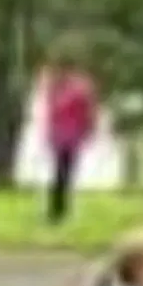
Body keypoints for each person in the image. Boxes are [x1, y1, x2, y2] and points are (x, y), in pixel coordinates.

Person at [38, 61, 101, 225]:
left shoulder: (78, 88)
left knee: (64, 173)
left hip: (71, 136)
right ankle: (58, 208)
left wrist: (89, 130)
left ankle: (59, 209)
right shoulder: (56, 88)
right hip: (60, 136)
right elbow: (51, 112)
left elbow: (88, 111)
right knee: (60, 173)